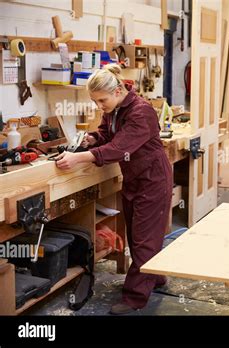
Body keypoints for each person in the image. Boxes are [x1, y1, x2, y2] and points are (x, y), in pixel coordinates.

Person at [54, 64, 172, 315]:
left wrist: (79, 157)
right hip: (133, 177)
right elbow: (107, 133)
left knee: (143, 239)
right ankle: (155, 276)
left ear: (118, 90)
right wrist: (93, 139)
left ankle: (135, 297)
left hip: (152, 178)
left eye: (102, 101)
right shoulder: (115, 108)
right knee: (139, 234)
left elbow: (119, 148)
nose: (99, 107)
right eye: (95, 102)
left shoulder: (141, 112)